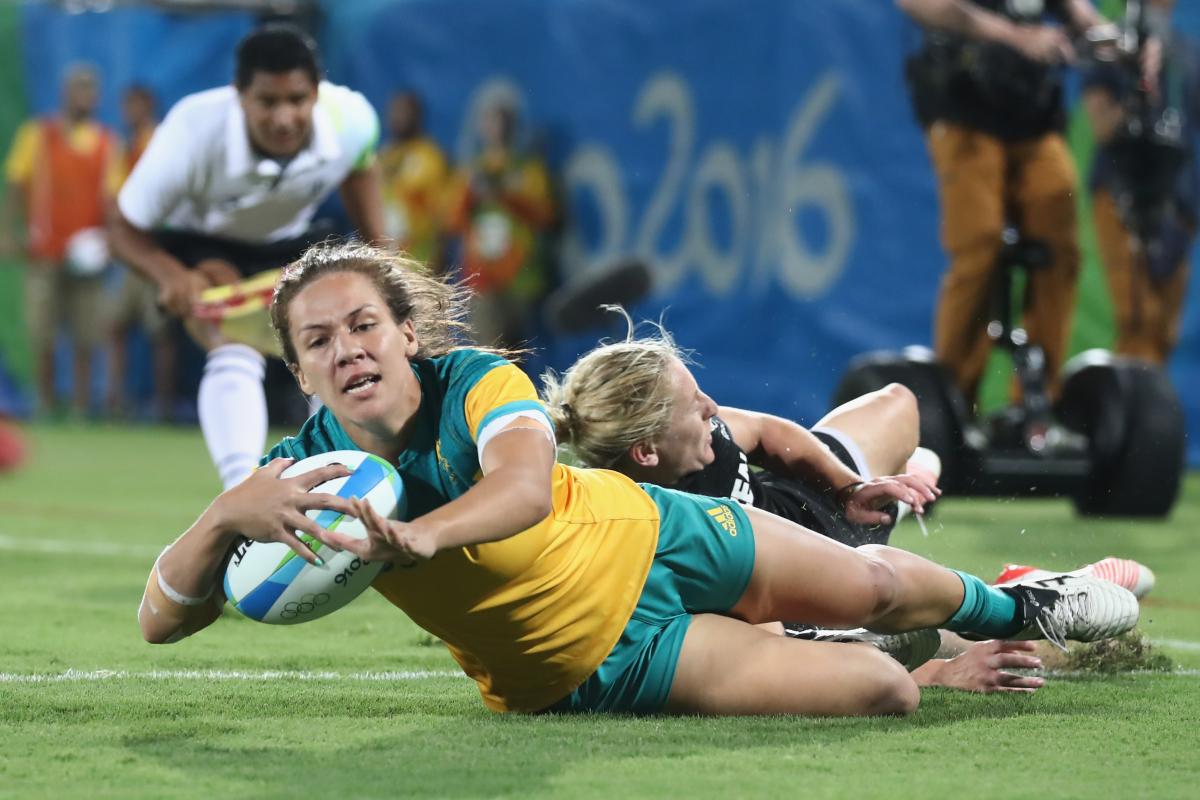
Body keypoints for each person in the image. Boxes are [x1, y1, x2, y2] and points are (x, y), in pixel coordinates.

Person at [137, 241, 1140, 716]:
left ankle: (1021, 605)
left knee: (877, 579)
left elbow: (526, 486)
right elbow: (160, 618)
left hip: (652, 528)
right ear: (300, 368)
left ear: (405, 330)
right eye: (318, 339)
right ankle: (929, 648)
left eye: (363, 324)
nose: (347, 347)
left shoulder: (476, 379)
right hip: (594, 662)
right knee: (887, 692)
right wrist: (225, 516)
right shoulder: (299, 472)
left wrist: (427, 537)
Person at [542, 324, 1057, 693]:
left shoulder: (697, 438)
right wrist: (940, 673)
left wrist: (849, 488)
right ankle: (947, 540)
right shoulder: (652, 537)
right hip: (811, 595)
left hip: (816, 509)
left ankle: (893, 497)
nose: (713, 409)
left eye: (702, 394)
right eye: (695, 407)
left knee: (898, 401)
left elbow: (765, 433)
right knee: (934, 639)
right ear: (646, 453)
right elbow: (770, 651)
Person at [109, 25, 386, 489]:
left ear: (317, 92)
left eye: (297, 100)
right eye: (268, 102)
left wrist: (385, 257)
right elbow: (121, 227)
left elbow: (361, 167)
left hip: (293, 241)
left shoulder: (352, 118)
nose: (284, 118)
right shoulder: (191, 131)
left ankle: (342, 474)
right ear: (239, 95)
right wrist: (172, 274)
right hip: (204, 246)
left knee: (340, 348)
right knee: (232, 348)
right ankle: (243, 493)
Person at [897, 0, 1112, 404]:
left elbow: (1082, 16)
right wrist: (1016, 36)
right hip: (963, 108)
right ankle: (953, 403)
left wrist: (1110, 38)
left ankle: (1037, 408)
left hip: (1031, 117)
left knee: (1060, 248)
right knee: (980, 242)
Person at [0, 64, 121, 417]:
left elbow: (113, 200)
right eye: (78, 89)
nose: (84, 97)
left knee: (87, 335)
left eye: (90, 90)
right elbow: (15, 185)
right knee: (44, 335)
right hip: (45, 251)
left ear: (96, 97)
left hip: (88, 257)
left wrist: (111, 242)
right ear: (66, 94)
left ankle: (82, 407)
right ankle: (45, 404)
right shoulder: (38, 135)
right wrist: (9, 232)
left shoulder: (107, 143)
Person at [1082, 0, 1199, 365]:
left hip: (1179, 202)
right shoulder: (1112, 46)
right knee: (1138, 318)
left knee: (1163, 329)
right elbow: (1102, 126)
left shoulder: (1188, 56)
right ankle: (1134, 415)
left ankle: (1148, 414)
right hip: (1125, 191)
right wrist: (1137, 95)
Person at [445, 101, 555, 351]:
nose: (497, 129)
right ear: (482, 128)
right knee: (488, 352)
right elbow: (451, 221)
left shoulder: (528, 168)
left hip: (521, 276)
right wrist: (471, 195)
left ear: (513, 127)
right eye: (491, 122)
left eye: (503, 122)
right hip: (482, 276)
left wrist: (507, 196)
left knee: (520, 355)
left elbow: (547, 216)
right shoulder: (472, 170)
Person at [108, 85, 176, 420]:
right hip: (130, 257)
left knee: (160, 333)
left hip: (155, 254)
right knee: (117, 327)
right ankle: (116, 403)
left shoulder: (160, 143)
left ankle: (163, 406)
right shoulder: (125, 146)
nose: (129, 112)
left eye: (135, 105)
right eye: (126, 105)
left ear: (148, 106)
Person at [378, 91, 448, 270]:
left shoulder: (430, 156)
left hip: (418, 262)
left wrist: (438, 261)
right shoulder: (383, 156)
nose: (396, 117)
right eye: (393, 111)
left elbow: (441, 215)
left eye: (403, 111)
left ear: (417, 116)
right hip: (385, 261)